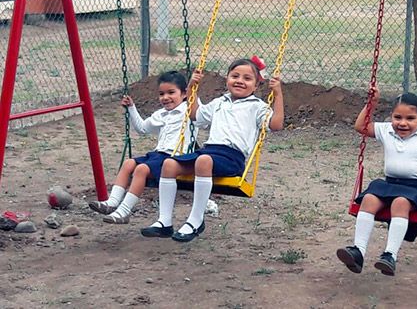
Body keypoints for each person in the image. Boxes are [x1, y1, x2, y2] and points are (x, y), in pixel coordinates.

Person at [140, 57, 284, 242]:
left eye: (247, 79)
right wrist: (192, 87)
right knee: (169, 164)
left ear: (256, 86)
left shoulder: (257, 107)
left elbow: (277, 124)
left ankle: (196, 220)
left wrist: (278, 94)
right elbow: (194, 115)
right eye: (235, 76)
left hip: (232, 157)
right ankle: (164, 222)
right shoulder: (219, 102)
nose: (240, 81)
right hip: (209, 152)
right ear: (227, 79)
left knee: (203, 160)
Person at [336, 86, 417, 276]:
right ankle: (358, 252)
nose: (403, 123)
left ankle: (390, 256)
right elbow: (361, 127)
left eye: (410, 119)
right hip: (389, 185)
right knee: (369, 199)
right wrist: (372, 103)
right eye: (398, 117)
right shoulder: (387, 130)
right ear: (391, 117)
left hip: (415, 190)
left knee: (400, 203)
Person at [89, 70, 194, 224]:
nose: (165, 98)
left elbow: (200, 110)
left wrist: (193, 86)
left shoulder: (190, 111)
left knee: (141, 169)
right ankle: (112, 203)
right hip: (158, 154)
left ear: (184, 94)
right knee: (128, 163)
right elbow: (142, 129)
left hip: (175, 159)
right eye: (161, 94)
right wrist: (131, 108)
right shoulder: (160, 114)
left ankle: (124, 212)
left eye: (171, 92)